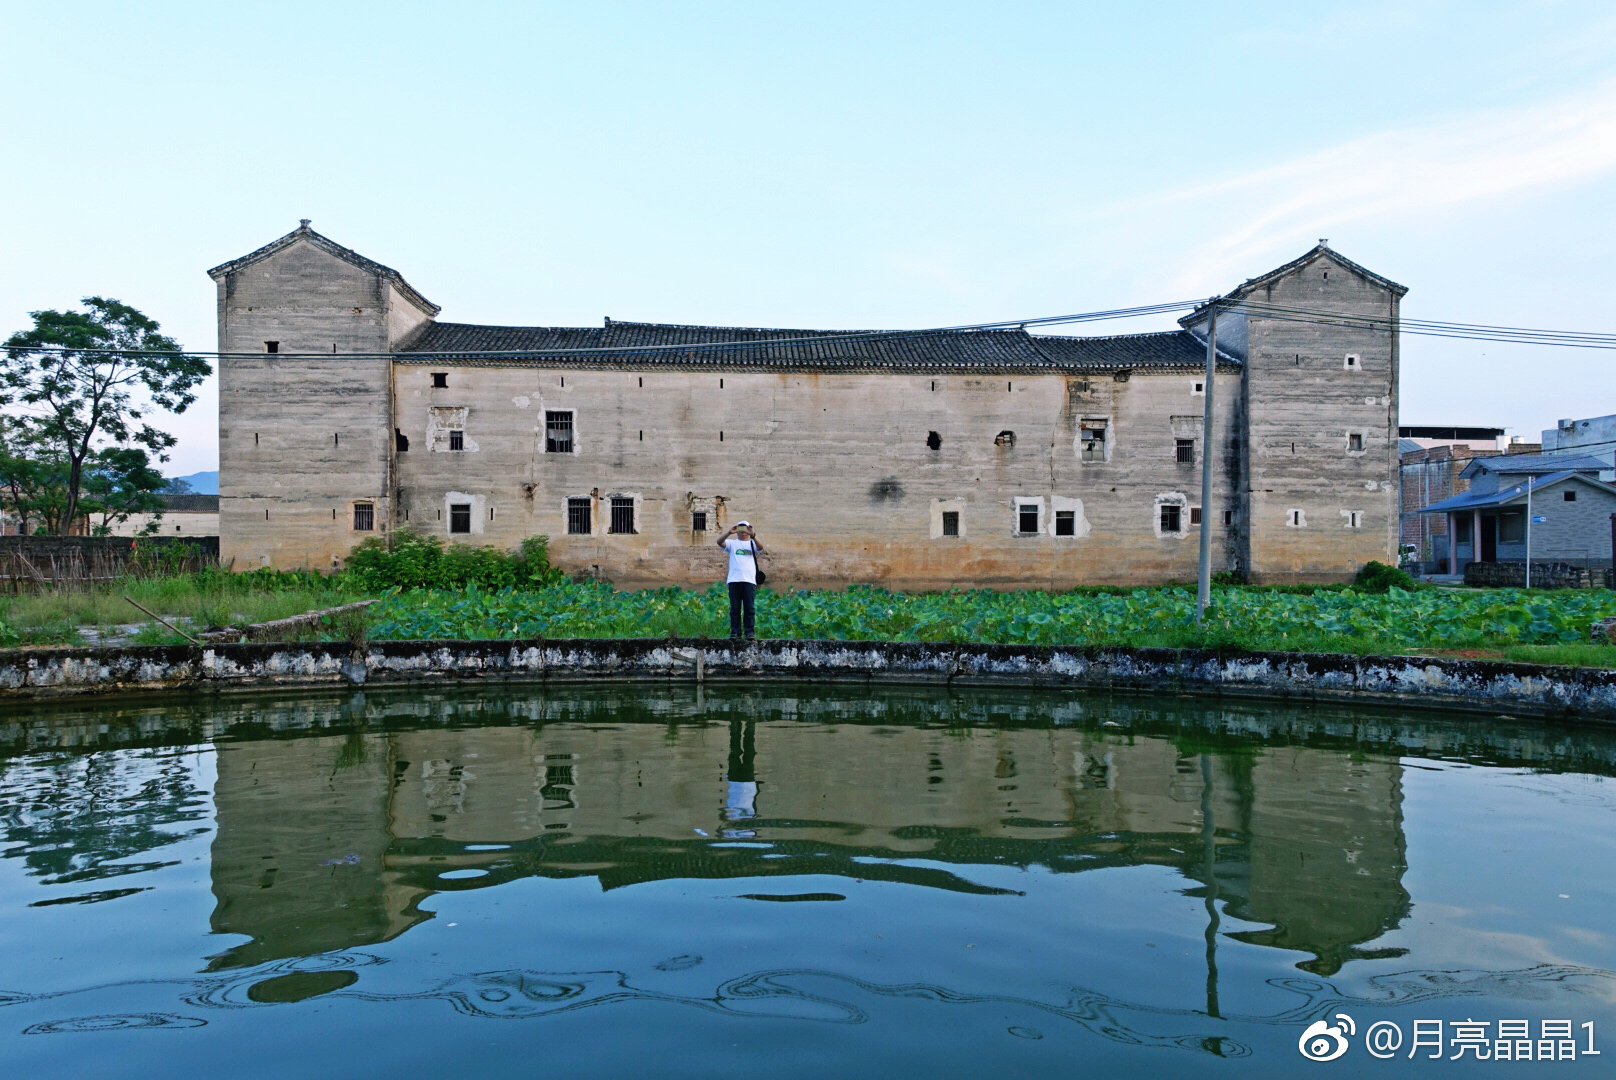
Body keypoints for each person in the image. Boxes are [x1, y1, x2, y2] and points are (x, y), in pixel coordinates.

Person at [717, 520, 764, 640]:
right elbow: (719, 542)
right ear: (737, 531)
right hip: (734, 580)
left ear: (749, 530)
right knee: (735, 609)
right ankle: (735, 632)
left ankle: (749, 632)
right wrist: (729, 532)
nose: (743, 531)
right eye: (740, 528)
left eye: (745, 528)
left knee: (749, 608)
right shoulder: (732, 543)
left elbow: (760, 547)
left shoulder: (752, 543)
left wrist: (753, 535)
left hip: (749, 580)